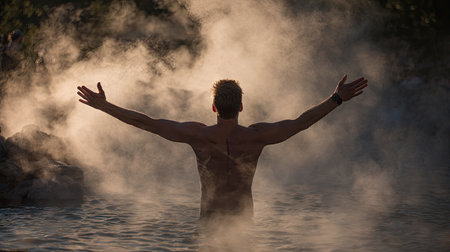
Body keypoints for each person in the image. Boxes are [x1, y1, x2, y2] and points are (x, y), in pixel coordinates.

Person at [77, 75, 368, 219]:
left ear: (213, 106)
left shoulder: (198, 136)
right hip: (242, 223)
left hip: (211, 222)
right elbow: (303, 121)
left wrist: (104, 106)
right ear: (241, 106)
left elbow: (146, 122)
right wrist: (336, 99)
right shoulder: (257, 137)